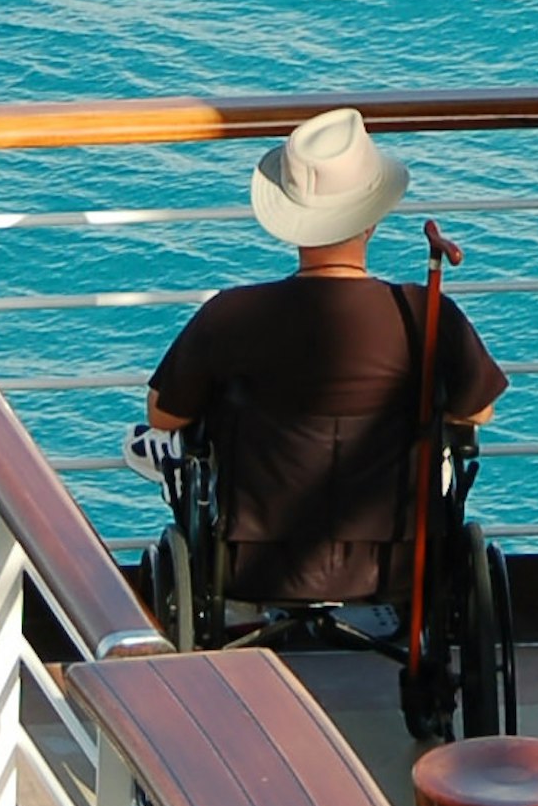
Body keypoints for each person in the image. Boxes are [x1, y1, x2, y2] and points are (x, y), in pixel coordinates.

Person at [144, 107, 506, 605]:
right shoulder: (423, 315)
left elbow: (163, 413)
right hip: (398, 564)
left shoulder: (230, 316)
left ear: (292, 224)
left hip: (253, 563)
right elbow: (478, 410)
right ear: (373, 220)